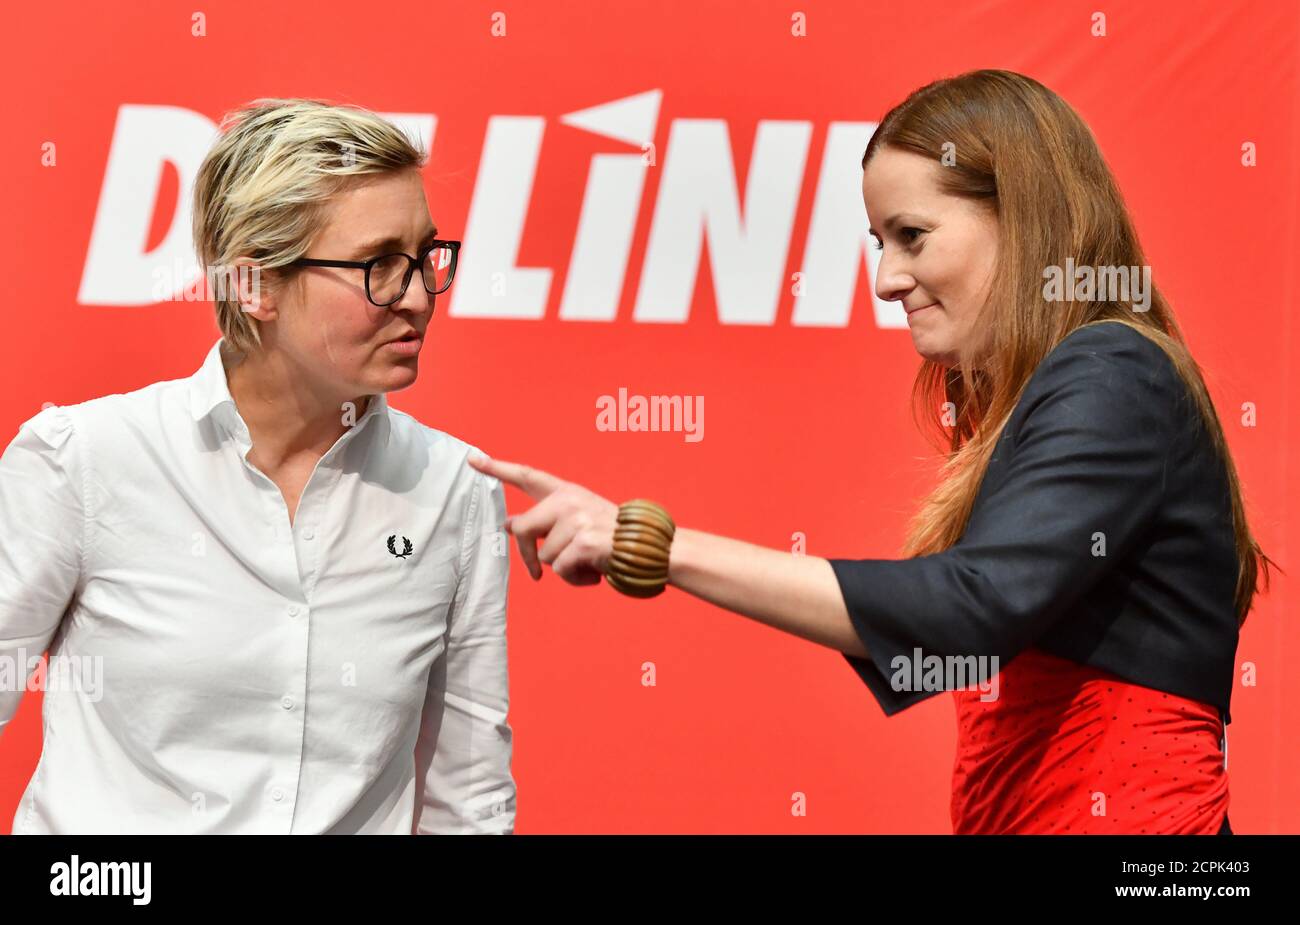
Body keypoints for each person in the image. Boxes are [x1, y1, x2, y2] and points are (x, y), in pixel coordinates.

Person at [467, 69, 1275, 835]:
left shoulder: (1113, 369)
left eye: (913, 236)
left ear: (1024, 218)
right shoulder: (1081, 381)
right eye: (879, 242)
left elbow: (970, 610)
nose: (888, 279)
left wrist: (655, 544)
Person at [0, 99, 515, 833]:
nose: (417, 296)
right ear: (255, 285)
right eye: (378, 265)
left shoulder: (456, 489)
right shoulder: (82, 460)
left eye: (425, 257)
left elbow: (469, 797)